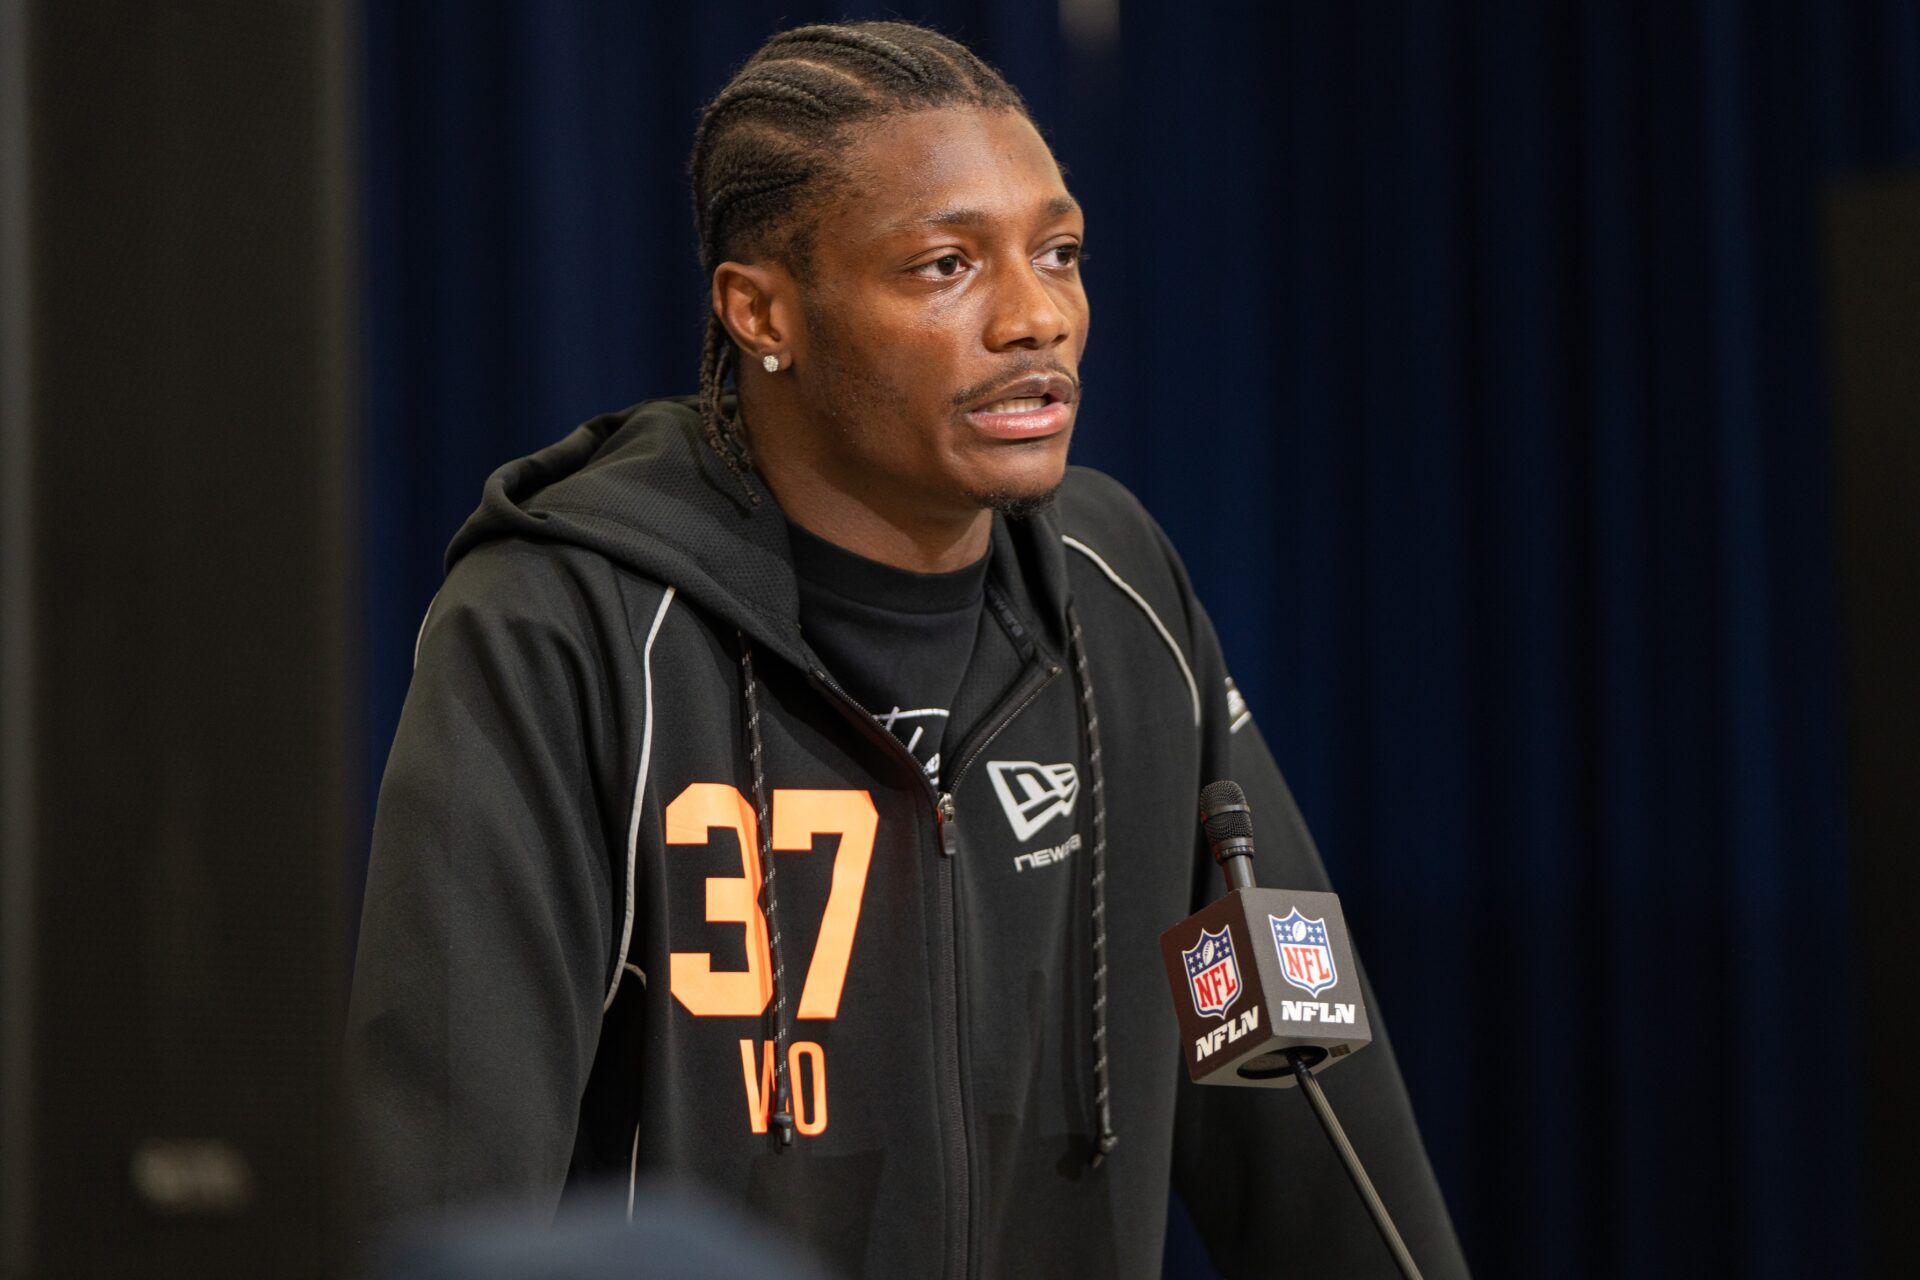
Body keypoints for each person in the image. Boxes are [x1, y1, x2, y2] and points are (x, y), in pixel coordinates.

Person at [347, 19, 1468, 1279]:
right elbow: (447, 1204)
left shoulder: (1125, 601)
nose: (1036, 316)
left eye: (1059, 252)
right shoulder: (565, 628)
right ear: (761, 309)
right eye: (945, 265)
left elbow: (1306, 1112)